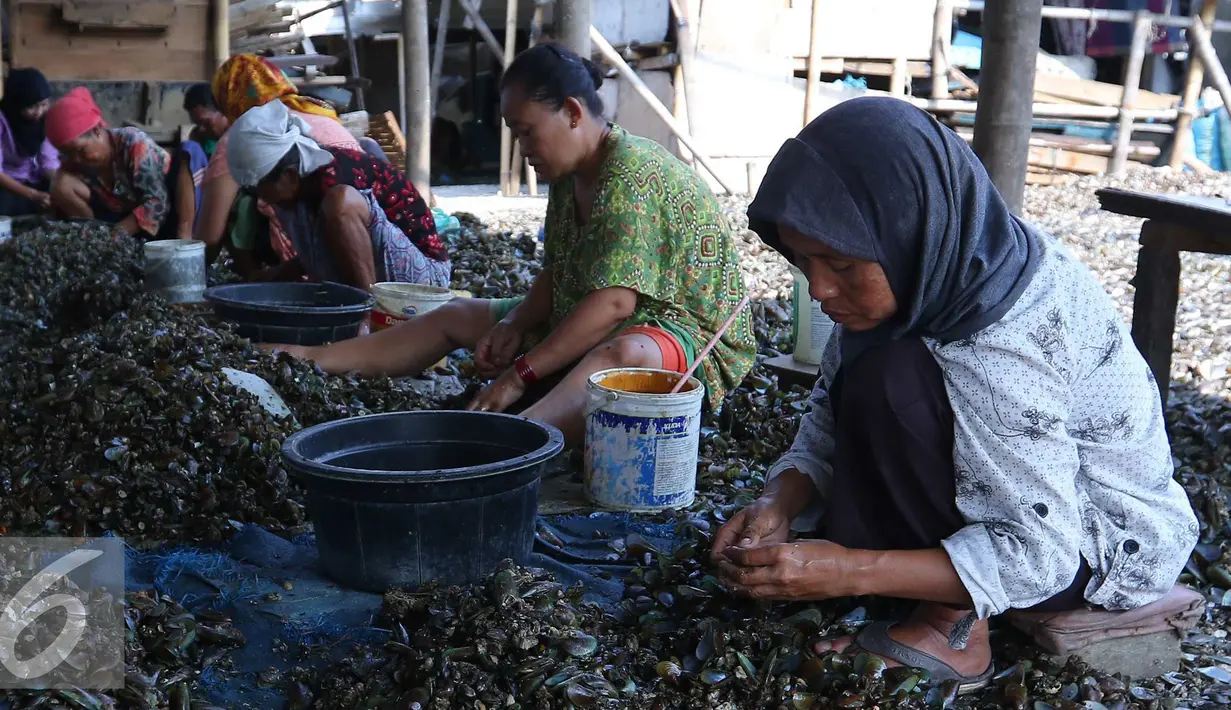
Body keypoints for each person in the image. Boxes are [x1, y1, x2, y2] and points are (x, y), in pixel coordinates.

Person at [710, 98, 1199, 693]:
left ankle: (954, 630)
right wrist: (779, 503)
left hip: (1094, 547)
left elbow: (1039, 555)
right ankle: (928, 582)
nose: (818, 288)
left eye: (838, 264)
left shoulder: (1004, 343)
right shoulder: (936, 267)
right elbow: (829, 416)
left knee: (896, 378)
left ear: (911, 233)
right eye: (802, 261)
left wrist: (844, 572)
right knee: (879, 360)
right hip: (1026, 510)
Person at [264, 43, 757, 444]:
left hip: (680, 333)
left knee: (617, 355)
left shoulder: (629, 171)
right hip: (585, 310)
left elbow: (614, 303)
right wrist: (518, 321)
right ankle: (310, 358)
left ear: (571, 112)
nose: (524, 149)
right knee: (458, 314)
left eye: (527, 132)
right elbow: (558, 272)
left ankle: (516, 442)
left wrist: (518, 375)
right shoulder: (570, 173)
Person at [226, 100, 449, 289]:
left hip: (424, 281)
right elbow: (323, 248)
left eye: (261, 189)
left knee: (339, 203)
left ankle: (367, 313)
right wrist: (277, 273)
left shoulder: (338, 179)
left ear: (291, 176)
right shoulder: (300, 189)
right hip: (382, 274)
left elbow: (347, 238)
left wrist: (364, 312)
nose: (262, 199)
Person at [195, 54, 361, 279]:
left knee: (244, 204)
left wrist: (188, 276)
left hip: (317, 252)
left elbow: (210, 237)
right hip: (363, 243)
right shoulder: (320, 114)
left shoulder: (241, 139)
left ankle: (261, 280)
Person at [46, 87, 202, 240]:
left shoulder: (133, 142)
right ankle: (91, 240)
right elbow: (60, 194)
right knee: (61, 184)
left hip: (165, 215)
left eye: (80, 150)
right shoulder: (74, 162)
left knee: (189, 151)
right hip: (123, 217)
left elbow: (157, 205)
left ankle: (181, 243)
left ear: (96, 130)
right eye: (67, 154)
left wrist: (113, 235)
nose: (76, 159)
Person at [0, 68, 59, 216]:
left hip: (33, 178)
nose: (39, 112)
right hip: (7, 183)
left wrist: (60, 184)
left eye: (43, 104)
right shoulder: (2, 121)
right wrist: (32, 195)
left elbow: (48, 162)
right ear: (17, 103)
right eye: (32, 106)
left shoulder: (44, 119)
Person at [182, 83, 228, 158]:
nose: (201, 129)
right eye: (196, 123)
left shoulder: (240, 136)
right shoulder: (198, 138)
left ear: (222, 111)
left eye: (205, 122)